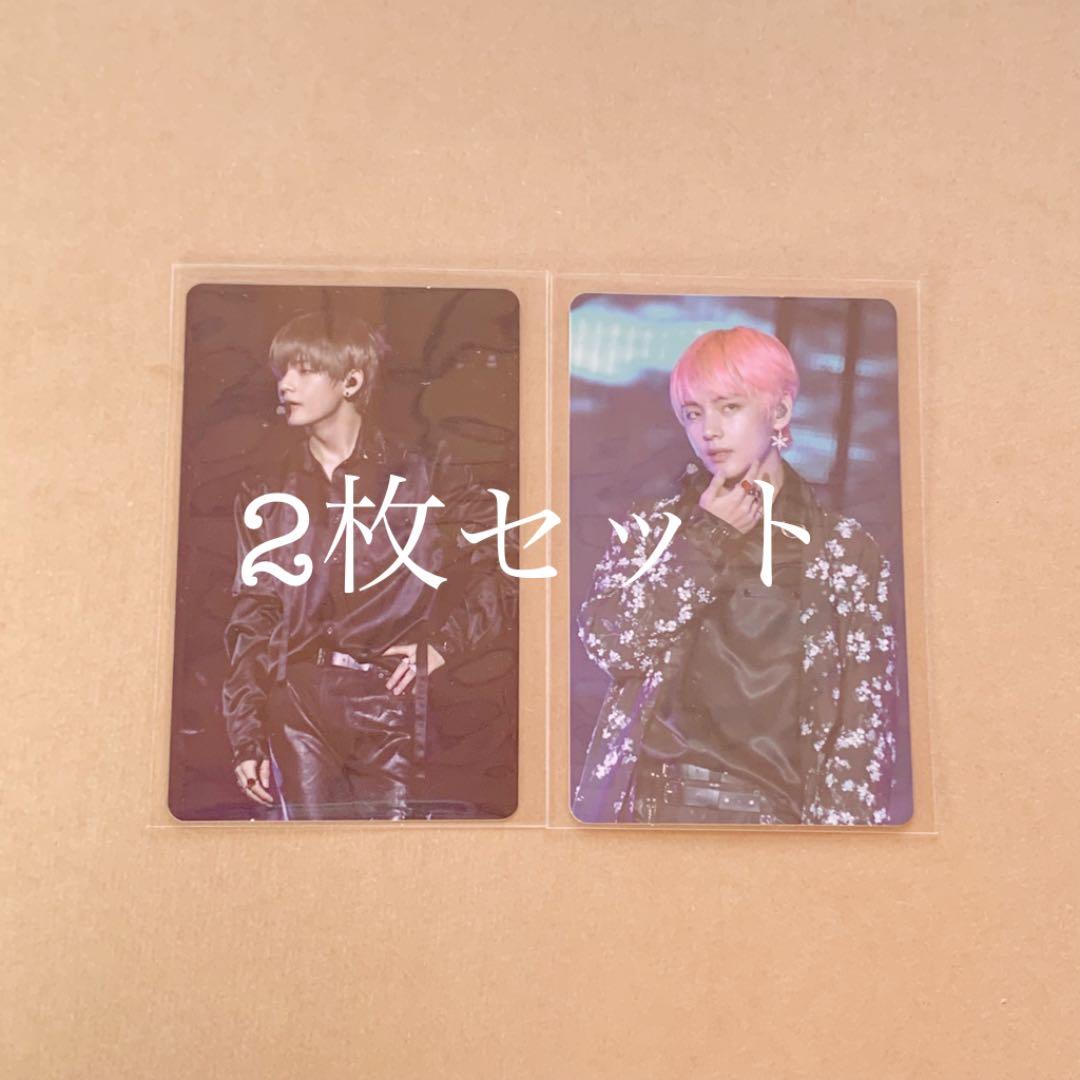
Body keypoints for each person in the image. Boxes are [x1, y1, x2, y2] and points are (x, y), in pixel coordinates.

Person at [573, 326, 899, 826]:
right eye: (693, 413)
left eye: (729, 407)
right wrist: (705, 539)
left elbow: (864, 731)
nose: (709, 430)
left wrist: (837, 857)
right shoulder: (654, 528)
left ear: (780, 412)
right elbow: (612, 646)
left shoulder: (843, 550)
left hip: (775, 826)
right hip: (650, 815)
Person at [222, 308, 516, 820]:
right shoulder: (265, 493)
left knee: (391, 859)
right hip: (299, 705)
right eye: (282, 370)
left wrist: (444, 646)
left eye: (305, 369)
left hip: (392, 701)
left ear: (351, 381)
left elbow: (511, 556)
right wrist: (246, 737)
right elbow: (254, 616)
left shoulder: (425, 474)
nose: (286, 384)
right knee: (309, 858)